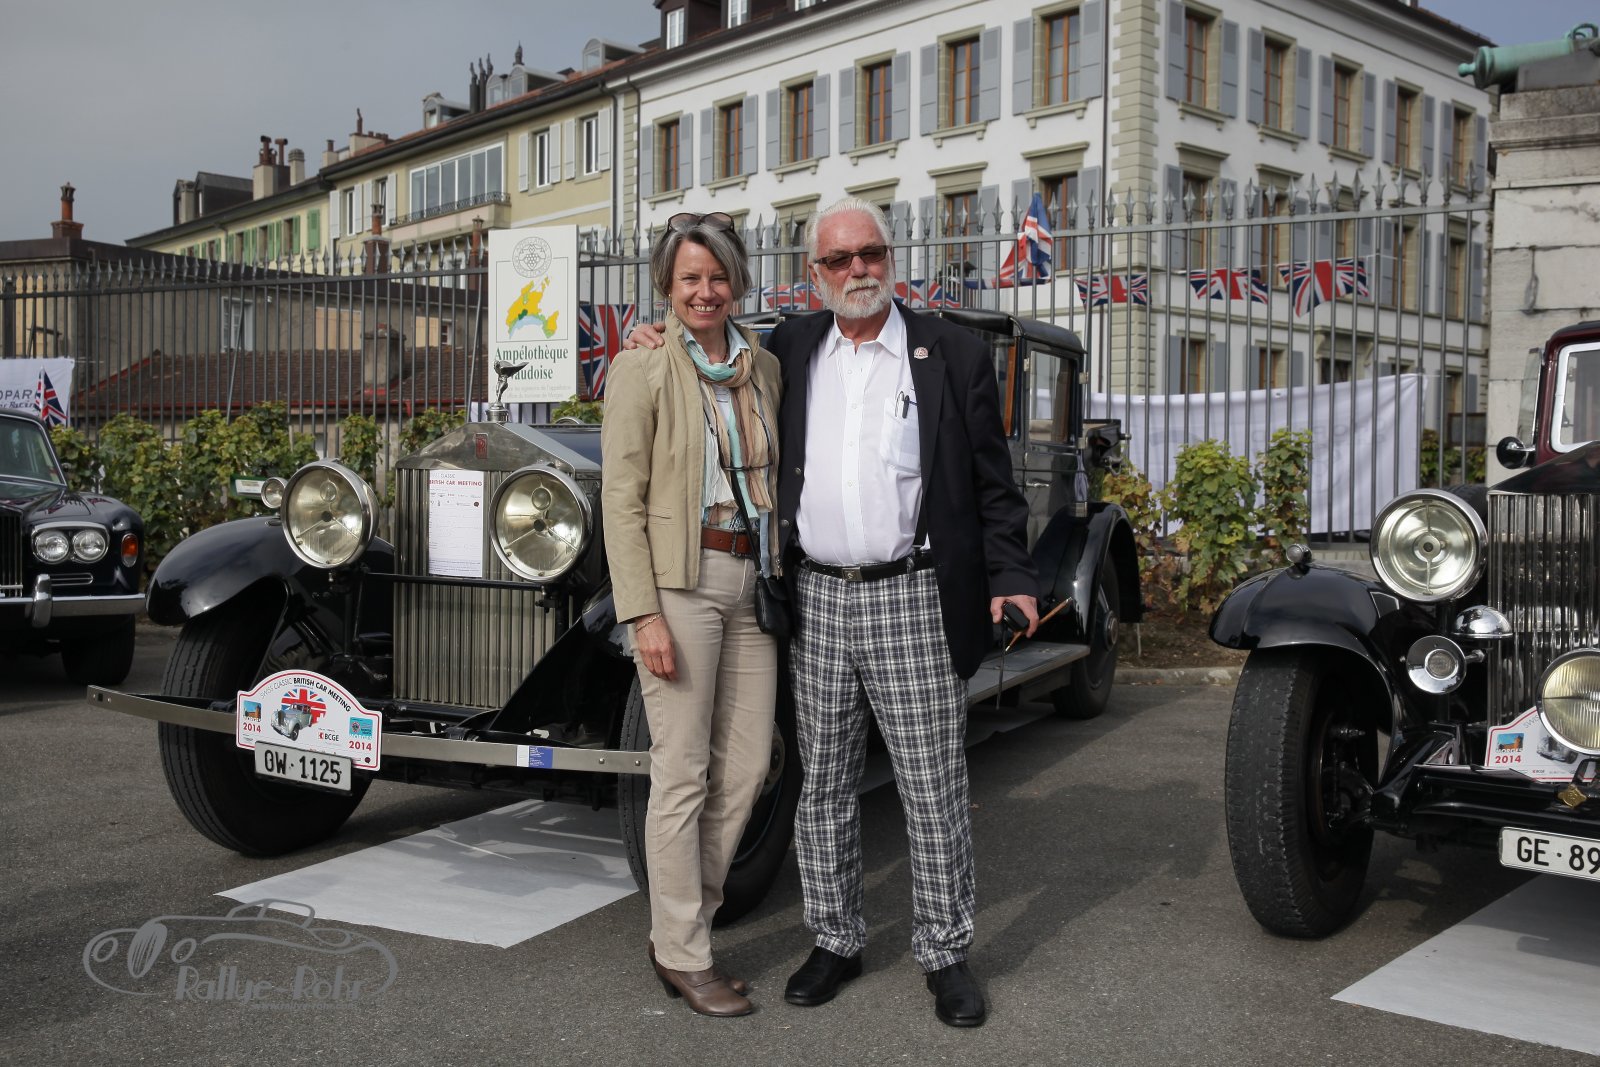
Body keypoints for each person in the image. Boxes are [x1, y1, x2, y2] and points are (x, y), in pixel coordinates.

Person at [628, 197, 1040, 1028]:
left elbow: (993, 481)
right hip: (815, 595)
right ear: (814, 273)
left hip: (911, 592)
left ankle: (945, 950)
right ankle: (836, 938)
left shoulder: (951, 352)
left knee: (932, 785)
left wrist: (1012, 575)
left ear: (891, 257)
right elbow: (704, 348)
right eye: (840, 259)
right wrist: (652, 336)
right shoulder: (792, 346)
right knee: (822, 785)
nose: (858, 270)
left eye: (870, 253)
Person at [601, 211, 783, 1018]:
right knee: (681, 770)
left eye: (716, 278)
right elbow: (621, 499)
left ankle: (686, 927)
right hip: (682, 580)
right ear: (666, 288)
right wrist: (642, 614)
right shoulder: (641, 366)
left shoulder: (763, 366)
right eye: (689, 280)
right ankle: (682, 950)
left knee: (744, 768)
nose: (704, 292)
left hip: (752, 577)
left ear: (735, 282)